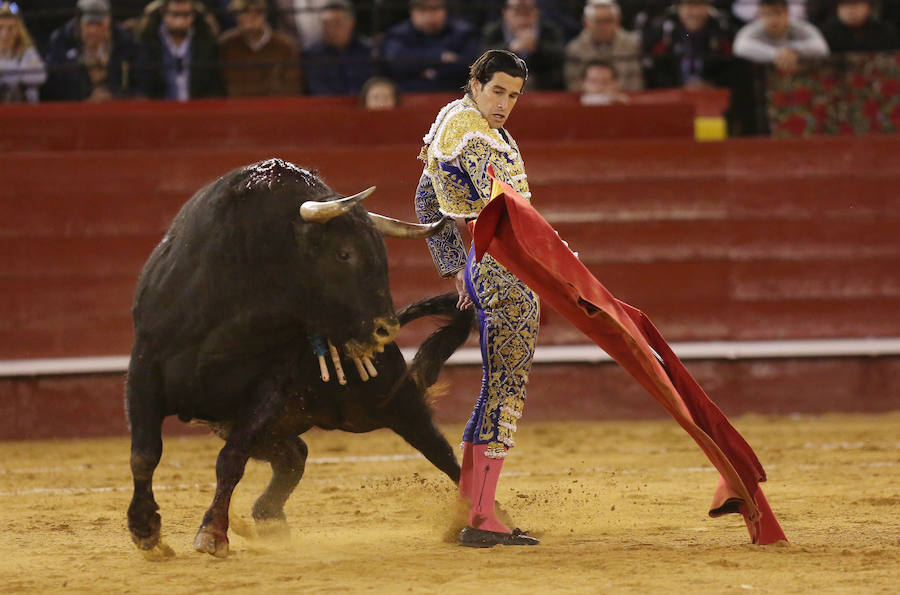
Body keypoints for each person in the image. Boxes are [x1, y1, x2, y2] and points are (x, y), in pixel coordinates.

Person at [414, 49, 540, 548]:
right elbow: (507, 212)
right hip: (506, 272)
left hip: (487, 268)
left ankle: (472, 508)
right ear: (476, 83)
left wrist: (456, 269)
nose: (505, 104)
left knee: (496, 384)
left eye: (514, 96)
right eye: (498, 91)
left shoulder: (453, 121)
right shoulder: (472, 134)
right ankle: (482, 518)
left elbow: (426, 198)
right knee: (506, 389)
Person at [42, 0, 139, 101]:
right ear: (78, 24)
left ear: (109, 22)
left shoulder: (127, 44)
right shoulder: (61, 43)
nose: (94, 30)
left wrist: (113, 96)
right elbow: (51, 88)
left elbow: (143, 87)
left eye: (99, 24)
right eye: (89, 24)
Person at [381, 0, 479, 93]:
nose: (429, 16)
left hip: (453, 97)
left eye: (435, 8)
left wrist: (430, 73)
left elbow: (470, 67)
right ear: (412, 12)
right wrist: (439, 56)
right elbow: (397, 64)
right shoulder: (397, 34)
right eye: (422, 9)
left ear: (445, 9)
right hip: (408, 96)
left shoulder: (463, 33)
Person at [135, 0, 225, 100]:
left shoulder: (206, 43)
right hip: (158, 109)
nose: (180, 20)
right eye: (175, 14)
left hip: (197, 109)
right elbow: (142, 84)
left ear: (194, 15)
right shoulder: (148, 42)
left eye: (186, 15)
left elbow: (213, 85)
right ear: (163, 13)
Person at [641, 0, 734, 89]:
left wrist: (712, 84)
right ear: (680, 8)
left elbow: (731, 67)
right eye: (689, 6)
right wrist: (678, 86)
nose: (695, 13)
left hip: (713, 95)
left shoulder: (722, 31)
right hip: (673, 95)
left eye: (700, 5)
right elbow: (655, 68)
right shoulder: (664, 31)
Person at [219, 0, 300, 96]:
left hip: (275, 108)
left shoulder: (286, 46)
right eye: (245, 12)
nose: (250, 16)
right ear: (236, 16)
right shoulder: (226, 45)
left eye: (257, 12)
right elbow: (220, 87)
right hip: (235, 108)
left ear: (265, 14)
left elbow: (293, 89)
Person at [481, 0, 565, 90]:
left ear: (537, 12)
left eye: (527, 11)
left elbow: (562, 57)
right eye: (517, 11)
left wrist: (537, 47)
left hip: (544, 90)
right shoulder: (492, 32)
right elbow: (481, 61)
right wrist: (509, 48)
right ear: (505, 12)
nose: (522, 18)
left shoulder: (550, 30)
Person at [564, 0, 642, 92]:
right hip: (587, 100)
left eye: (608, 21)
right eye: (598, 21)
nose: (603, 26)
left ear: (618, 21)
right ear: (586, 22)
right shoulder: (575, 49)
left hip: (623, 99)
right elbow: (573, 84)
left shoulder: (632, 46)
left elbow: (636, 82)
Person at [733, 0, 829, 71]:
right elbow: (739, 47)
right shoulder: (753, 29)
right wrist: (777, 54)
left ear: (787, 14)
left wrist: (793, 49)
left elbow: (822, 47)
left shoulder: (799, 26)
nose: (773, 19)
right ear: (760, 15)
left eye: (777, 13)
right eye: (767, 14)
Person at [305, 0, 374, 95]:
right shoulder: (312, 55)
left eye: (337, 23)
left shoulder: (368, 50)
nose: (332, 29)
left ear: (351, 23)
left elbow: (374, 85)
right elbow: (317, 90)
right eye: (327, 24)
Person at [0, 1, 46, 103]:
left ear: (18, 30)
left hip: (24, 110)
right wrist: (20, 69)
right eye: (0, 28)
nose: (4, 34)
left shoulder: (27, 50)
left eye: (10, 28)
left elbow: (39, 77)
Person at [820, 0, 900, 52]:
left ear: (870, 8)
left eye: (856, 4)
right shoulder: (825, 33)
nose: (851, 9)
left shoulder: (885, 31)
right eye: (845, 4)